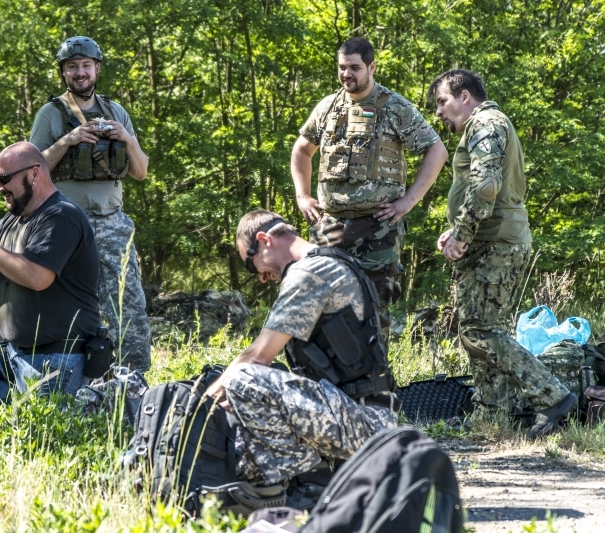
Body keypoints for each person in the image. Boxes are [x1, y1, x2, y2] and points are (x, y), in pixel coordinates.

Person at [429, 69, 576, 438]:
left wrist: (462, 234)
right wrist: (458, 229)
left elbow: (487, 185)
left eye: (442, 102)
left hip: (496, 243)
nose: (438, 113)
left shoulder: (486, 123)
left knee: (481, 330)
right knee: (477, 330)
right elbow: (482, 188)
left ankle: (553, 395)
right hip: (488, 240)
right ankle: (489, 416)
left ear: (465, 97)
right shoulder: (485, 125)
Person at [206, 209, 399, 487]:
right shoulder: (326, 263)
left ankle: (309, 485)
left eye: (251, 264)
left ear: (264, 240)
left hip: (366, 423)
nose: (260, 277)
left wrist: (202, 405)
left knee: (245, 379)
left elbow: (257, 357)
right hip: (355, 413)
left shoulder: (310, 272)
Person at [291, 37, 448, 346]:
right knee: (326, 310)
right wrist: (302, 196)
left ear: (372, 67)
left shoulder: (394, 107)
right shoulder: (328, 107)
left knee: (375, 311)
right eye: (341, 68)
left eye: (354, 68)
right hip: (330, 227)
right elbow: (301, 150)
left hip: (377, 229)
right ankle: (334, 383)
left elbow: (436, 151)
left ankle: (375, 387)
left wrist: (407, 202)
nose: (346, 74)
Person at [0, 142, 101, 403]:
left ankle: (29, 405)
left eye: (5, 179)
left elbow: (37, 277)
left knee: (40, 423)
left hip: (56, 356)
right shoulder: (11, 220)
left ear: (34, 174)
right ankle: (18, 402)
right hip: (11, 349)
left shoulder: (61, 216)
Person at [29, 36, 151, 372]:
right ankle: (65, 380)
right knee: (68, 305)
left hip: (112, 223)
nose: (80, 72)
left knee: (127, 306)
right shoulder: (51, 114)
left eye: (86, 65)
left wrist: (125, 138)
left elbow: (140, 171)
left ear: (97, 68)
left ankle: (133, 381)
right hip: (65, 223)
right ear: (64, 73)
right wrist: (67, 141)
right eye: (72, 67)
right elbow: (30, 170)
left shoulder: (116, 111)